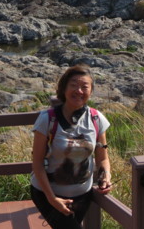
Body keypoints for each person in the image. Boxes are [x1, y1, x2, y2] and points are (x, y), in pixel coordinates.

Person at [31, 64, 112, 229]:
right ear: (64, 88)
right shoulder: (47, 119)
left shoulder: (96, 119)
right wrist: (52, 199)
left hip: (83, 196)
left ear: (91, 91)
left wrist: (106, 177)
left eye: (84, 87)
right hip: (48, 194)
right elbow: (37, 163)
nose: (79, 91)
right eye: (73, 85)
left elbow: (102, 158)